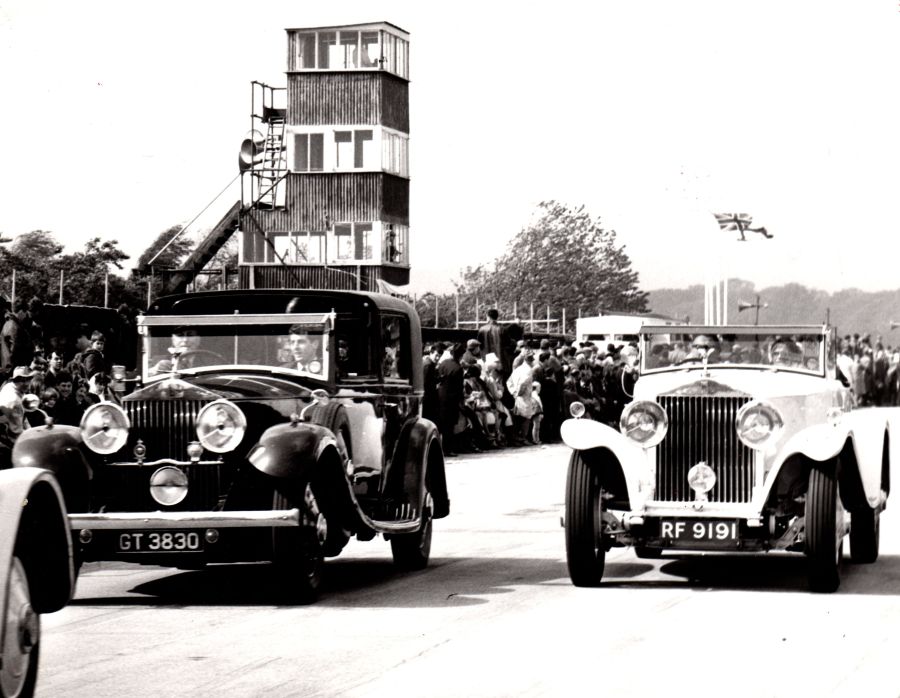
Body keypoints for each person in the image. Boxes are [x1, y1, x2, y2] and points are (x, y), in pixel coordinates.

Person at [0, 366, 33, 467]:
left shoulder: (9, 386)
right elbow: (16, 433)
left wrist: (31, 431)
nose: (26, 384)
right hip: (4, 441)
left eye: (28, 379)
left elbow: (23, 417)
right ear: (14, 380)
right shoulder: (15, 401)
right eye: (22, 380)